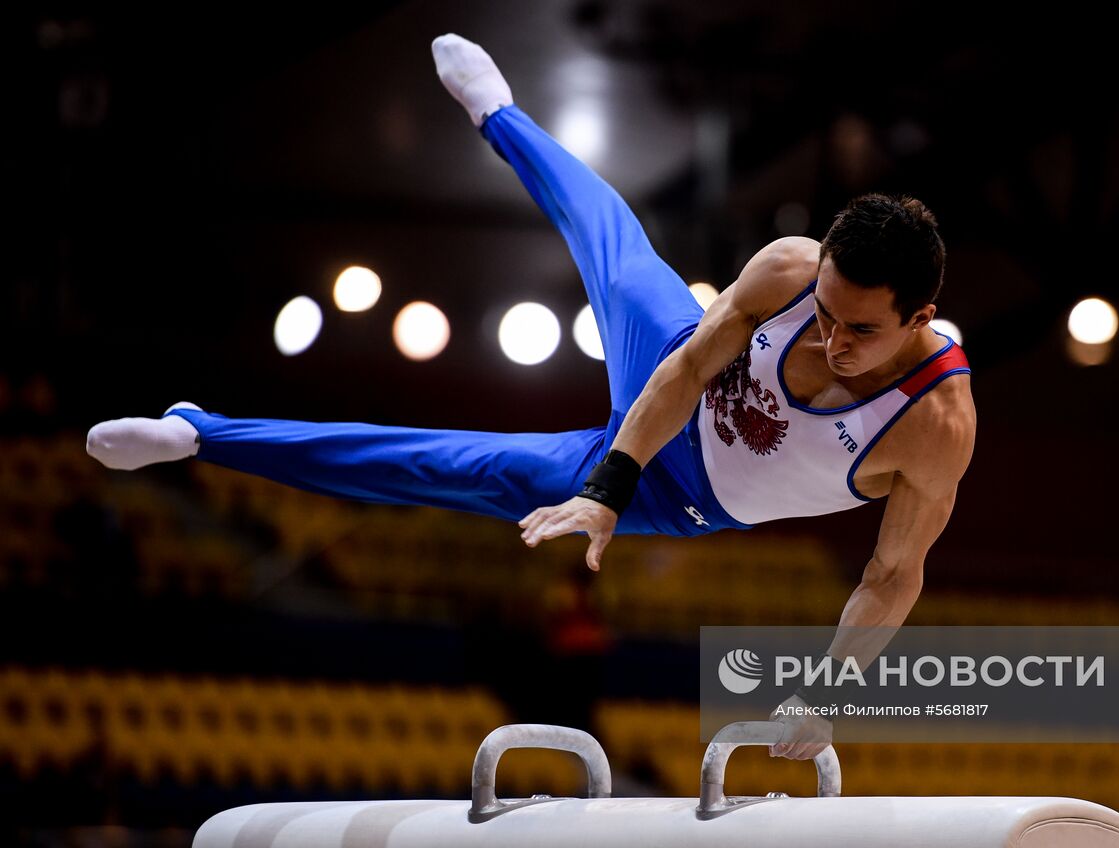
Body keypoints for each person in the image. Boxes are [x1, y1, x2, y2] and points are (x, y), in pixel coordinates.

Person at [86, 34, 976, 759]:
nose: (830, 341)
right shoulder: (787, 271)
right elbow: (685, 372)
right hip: (666, 392)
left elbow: (892, 574)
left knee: (452, 466)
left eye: (861, 332)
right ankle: (499, 113)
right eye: (825, 313)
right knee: (613, 241)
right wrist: (603, 488)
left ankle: (200, 436)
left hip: (687, 498)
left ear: (922, 317)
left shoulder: (935, 426)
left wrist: (824, 694)